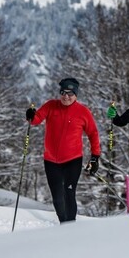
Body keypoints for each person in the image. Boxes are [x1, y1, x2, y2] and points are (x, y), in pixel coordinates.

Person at [25, 77, 101, 223]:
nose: (66, 96)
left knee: (69, 192)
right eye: (63, 92)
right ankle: (63, 223)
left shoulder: (83, 112)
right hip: (51, 160)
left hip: (72, 160)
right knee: (57, 197)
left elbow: (93, 134)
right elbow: (36, 120)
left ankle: (70, 226)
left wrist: (95, 156)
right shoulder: (51, 105)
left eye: (70, 93)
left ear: (76, 95)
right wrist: (31, 115)